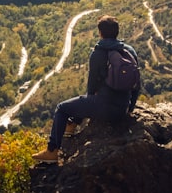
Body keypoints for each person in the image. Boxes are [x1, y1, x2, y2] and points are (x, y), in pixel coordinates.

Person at [33, 15, 140, 162]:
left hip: (104, 109)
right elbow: (136, 84)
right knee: (88, 99)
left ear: (100, 33)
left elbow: (91, 88)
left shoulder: (98, 53)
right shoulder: (130, 51)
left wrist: (80, 112)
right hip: (122, 108)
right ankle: (71, 126)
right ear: (117, 31)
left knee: (62, 108)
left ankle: (52, 151)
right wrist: (130, 108)